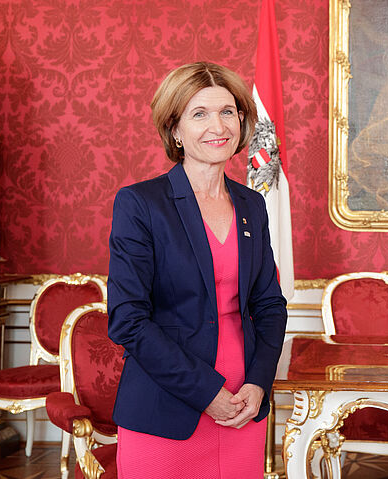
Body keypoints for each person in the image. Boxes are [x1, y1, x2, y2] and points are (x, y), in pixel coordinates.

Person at [107, 61, 288, 478]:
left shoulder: (251, 205)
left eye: (228, 112)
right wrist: (208, 393)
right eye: (199, 114)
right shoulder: (140, 204)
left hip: (243, 404)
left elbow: (269, 305)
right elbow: (128, 321)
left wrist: (258, 383)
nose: (217, 126)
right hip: (169, 406)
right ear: (176, 130)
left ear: (242, 121)